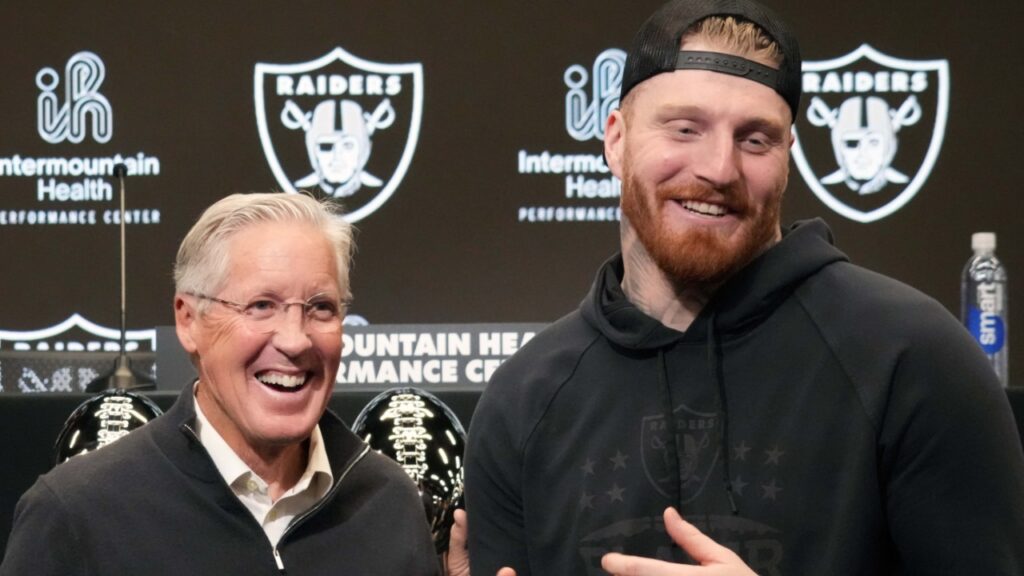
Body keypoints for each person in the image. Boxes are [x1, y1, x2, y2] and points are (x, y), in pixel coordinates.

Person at [464, 1, 1024, 575]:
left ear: (787, 159)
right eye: (685, 128)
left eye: (756, 140)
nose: (719, 168)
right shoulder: (523, 402)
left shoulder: (915, 362)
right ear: (615, 140)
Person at [0, 193, 441, 575]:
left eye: (320, 307)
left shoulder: (389, 503)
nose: (295, 339)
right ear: (189, 321)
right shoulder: (78, 513)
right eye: (261, 305)